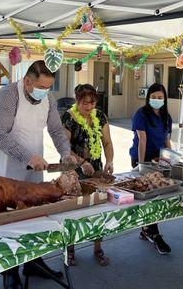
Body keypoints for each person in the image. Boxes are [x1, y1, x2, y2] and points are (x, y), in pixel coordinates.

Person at [0, 60, 73, 286]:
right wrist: (27, 157)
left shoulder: (48, 98)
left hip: (36, 164)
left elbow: (55, 129)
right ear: (27, 82)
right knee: (9, 217)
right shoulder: (7, 96)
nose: (45, 92)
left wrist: (65, 153)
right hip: (7, 166)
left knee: (34, 213)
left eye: (48, 88)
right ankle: (10, 270)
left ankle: (33, 262)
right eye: (42, 87)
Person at [61, 83, 115, 266]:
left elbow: (107, 142)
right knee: (74, 211)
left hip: (96, 170)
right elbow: (64, 148)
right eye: (85, 103)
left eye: (92, 103)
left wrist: (109, 161)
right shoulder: (68, 118)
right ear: (77, 101)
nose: (89, 107)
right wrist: (82, 162)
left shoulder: (99, 116)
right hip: (73, 171)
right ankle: (70, 250)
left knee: (98, 210)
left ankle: (98, 249)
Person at [129, 83, 172, 254]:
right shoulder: (141, 114)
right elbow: (142, 140)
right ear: (148, 98)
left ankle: (147, 229)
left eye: (160, 97)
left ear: (164, 98)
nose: (156, 100)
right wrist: (141, 165)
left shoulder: (166, 117)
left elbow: (167, 140)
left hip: (159, 160)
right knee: (148, 195)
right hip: (142, 158)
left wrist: (172, 159)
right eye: (153, 97)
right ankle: (154, 233)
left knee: (157, 196)